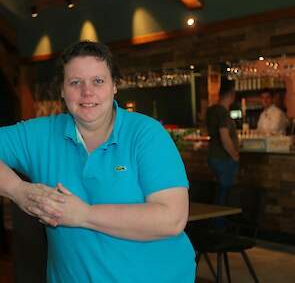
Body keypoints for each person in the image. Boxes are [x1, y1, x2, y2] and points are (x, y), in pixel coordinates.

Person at [0, 41, 196, 282]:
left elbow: (172, 219)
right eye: (75, 82)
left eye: (98, 81)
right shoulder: (40, 135)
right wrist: (17, 189)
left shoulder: (146, 134)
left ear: (114, 86)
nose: (87, 92)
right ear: (62, 90)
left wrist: (83, 214)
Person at [206, 83, 239, 205]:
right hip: (223, 158)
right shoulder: (223, 112)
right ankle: (220, 222)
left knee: (219, 192)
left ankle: (217, 221)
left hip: (213, 155)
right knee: (224, 194)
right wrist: (234, 155)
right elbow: (224, 137)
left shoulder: (211, 110)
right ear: (231, 94)